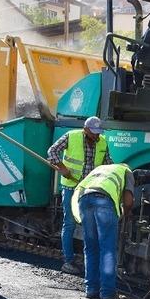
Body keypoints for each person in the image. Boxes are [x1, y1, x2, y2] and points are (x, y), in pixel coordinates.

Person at [47, 116, 112, 275]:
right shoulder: (71, 136)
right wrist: (62, 167)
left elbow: (108, 163)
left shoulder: (102, 141)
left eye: (98, 133)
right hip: (71, 187)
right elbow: (52, 151)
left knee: (89, 224)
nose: (96, 136)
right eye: (93, 133)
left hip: (89, 189)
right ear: (85, 129)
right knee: (69, 223)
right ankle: (68, 261)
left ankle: (89, 260)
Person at [71, 163, 134, 299]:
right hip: (103, 201)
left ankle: (91, 289)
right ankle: (108, 293)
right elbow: (128, 200)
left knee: (91, 247)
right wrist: (126, 213)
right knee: (107, 249)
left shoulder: (101, 169)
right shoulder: (127, 171)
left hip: (83, 200)